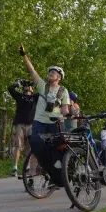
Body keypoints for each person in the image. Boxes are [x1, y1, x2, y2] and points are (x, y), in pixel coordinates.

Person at [18, 43, 70, 187]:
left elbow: (65, 109)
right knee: (36, 147)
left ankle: (59, 176)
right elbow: (32, 70)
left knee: (58, 151)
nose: (50, 74)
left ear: (59, 77)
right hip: (40, 122)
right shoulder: (42, 86)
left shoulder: (64, 91)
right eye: (49, 72)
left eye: (53, 72)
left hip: (55, 123)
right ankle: (37, 174)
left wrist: (65, 116)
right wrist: (24, 55)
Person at [7, 79, 38, 177]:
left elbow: (43, 92)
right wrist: (19, 83)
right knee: (18, 146)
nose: (27, 88)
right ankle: (15, 168)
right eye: (26, 87)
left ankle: (27, 167)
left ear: (32, 89)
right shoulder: (19, 96)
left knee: (29, 147)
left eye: (29, 87)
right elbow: (10, 89)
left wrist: (35, 83)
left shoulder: (34, 97)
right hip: (20, 124)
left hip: (31, 125)